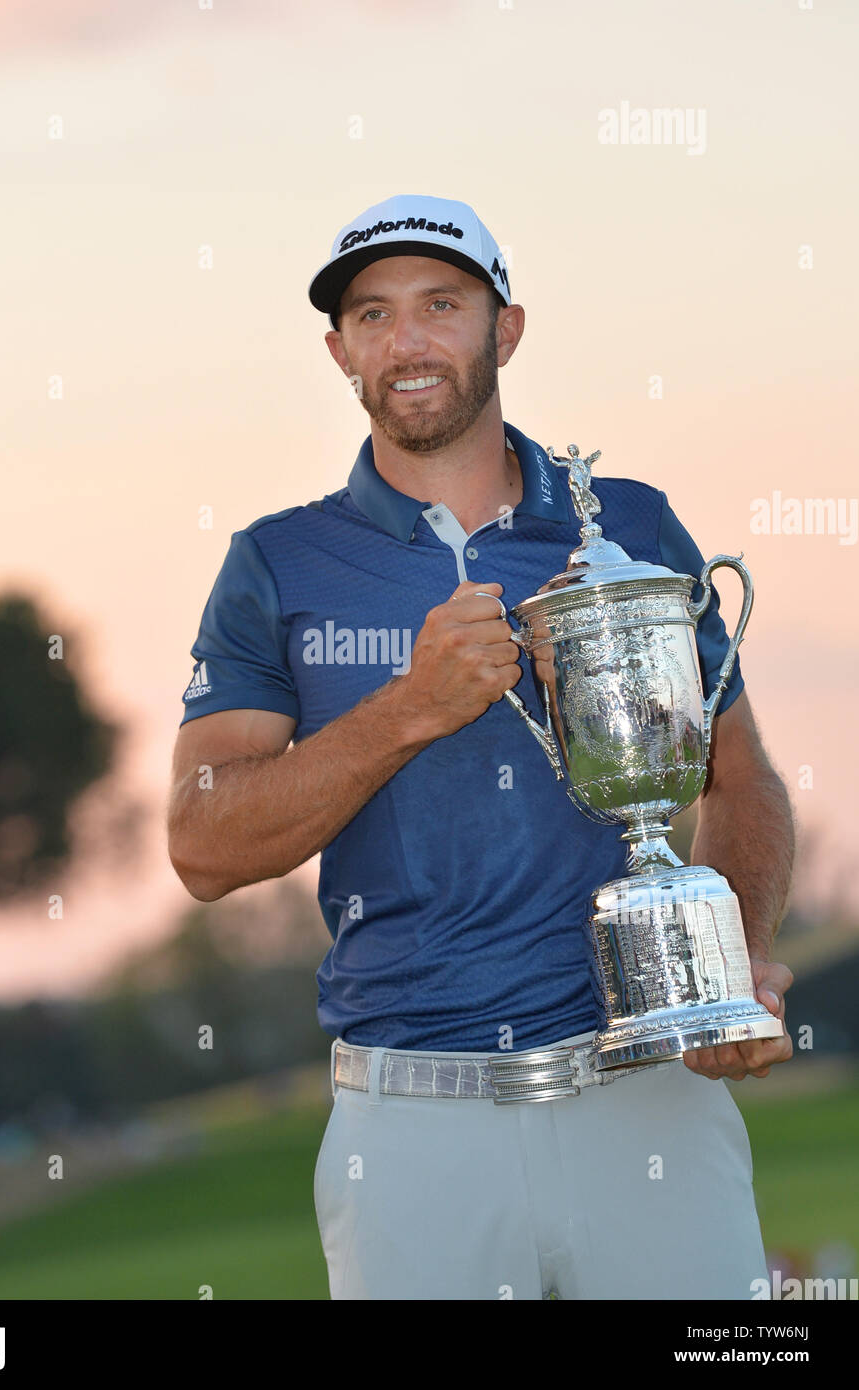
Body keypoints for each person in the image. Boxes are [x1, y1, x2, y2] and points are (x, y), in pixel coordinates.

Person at [167, 194, 795, 1300]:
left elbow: (738, 776)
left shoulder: (623, 527)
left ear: (505, 330)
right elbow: (203, 844)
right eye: (372, 316)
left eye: (440, 306)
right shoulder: (277, 563)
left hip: (645, 1091)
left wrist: (726, 964)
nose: (405, 342)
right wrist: (409, 707)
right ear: (340, 352)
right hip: (410, 1126)